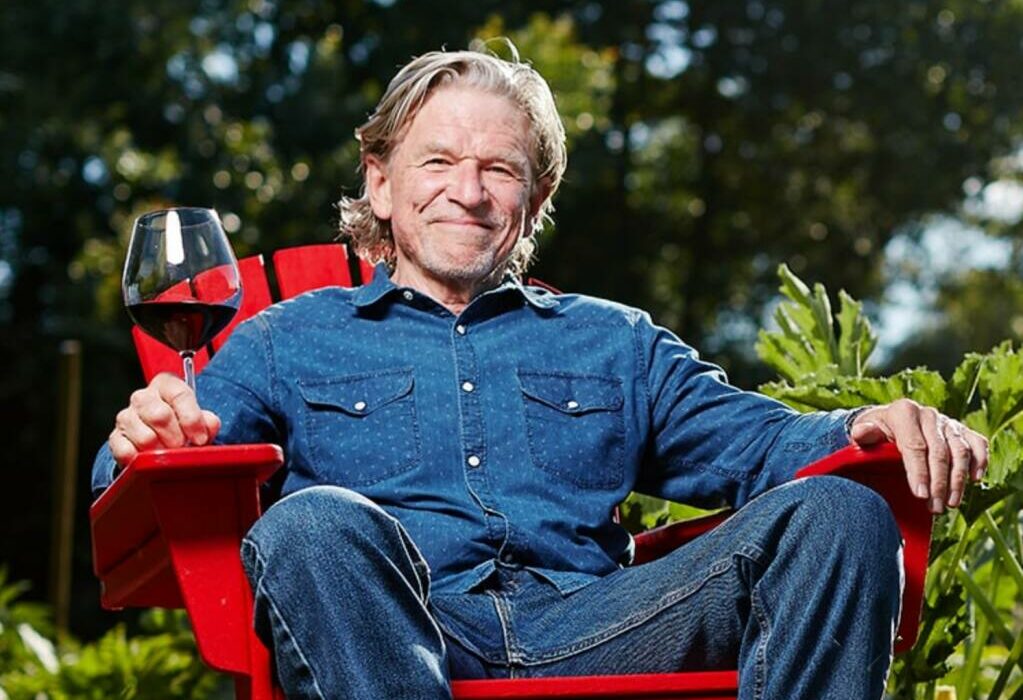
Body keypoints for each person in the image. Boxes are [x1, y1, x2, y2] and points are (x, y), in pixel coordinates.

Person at [93, 45, 988, 700]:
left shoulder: (615, 342)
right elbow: (143, 483)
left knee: (840, 510)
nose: (467, 190)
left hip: (604, 628)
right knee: (315, 524)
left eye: (499, 169)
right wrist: (142, 442)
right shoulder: (284, 340)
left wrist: (862, 426)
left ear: (535, 200)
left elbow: (761, 443)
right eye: (437, 161)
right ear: (379, 182)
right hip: (397, 634)